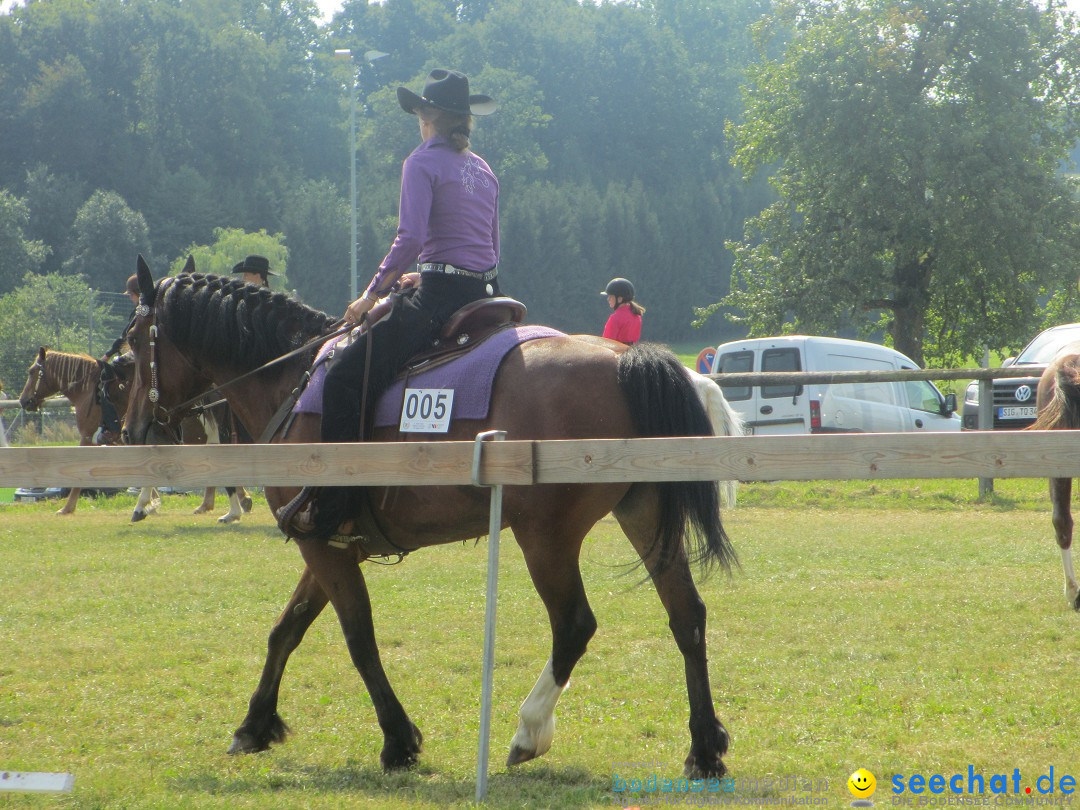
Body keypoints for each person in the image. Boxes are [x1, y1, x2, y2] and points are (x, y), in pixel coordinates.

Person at [279, 68, 499, 541]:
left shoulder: (421, 162)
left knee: (341, 380)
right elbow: (486, 247)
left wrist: (371, 294)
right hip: (486, 293)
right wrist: (433, 268)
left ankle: (336, 511)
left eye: (420, 112)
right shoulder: (483, 169)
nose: (418, 120)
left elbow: (411, 236)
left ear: (429, 116)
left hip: (438, 299)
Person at [95, 274, 142, 443]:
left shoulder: (140, 312)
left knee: (106, 379)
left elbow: (124, 338)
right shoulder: (147, 309)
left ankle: (111, 429)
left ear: (137, 293)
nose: (130, 298)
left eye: (130, 294)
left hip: (139, 357)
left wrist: (108, 354)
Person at [602, 277, 644, 345]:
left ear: (619, 299)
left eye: (611, 296)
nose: (608, 299)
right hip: (633, 351)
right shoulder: (637, 316)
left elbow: (607, 342)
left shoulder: (615, 318)